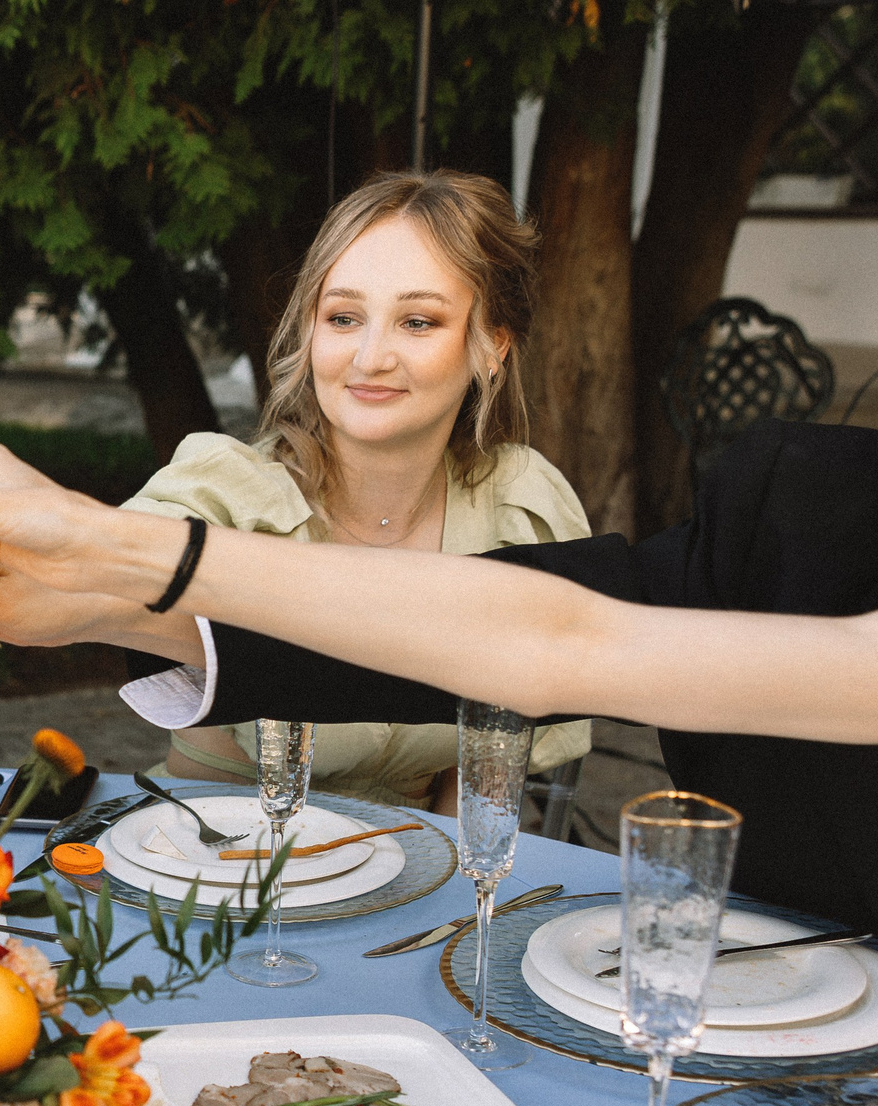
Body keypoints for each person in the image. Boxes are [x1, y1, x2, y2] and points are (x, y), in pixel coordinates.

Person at [0, 173, 878, 1021]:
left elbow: (533, 705)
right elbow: (549, 636)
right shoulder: (803, 527)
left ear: (488, 346)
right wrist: (104, 581)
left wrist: (114, 560)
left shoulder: (525, 490)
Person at [113, 170, 590, 806]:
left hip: (415, 873)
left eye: (417, 322)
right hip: (213, 864)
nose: (370, 357)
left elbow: (482, 779)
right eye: (343, 317)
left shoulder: (518, 509)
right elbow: (100, 574)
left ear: (491, 346)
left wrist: (447, 895)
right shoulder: (226, 495)